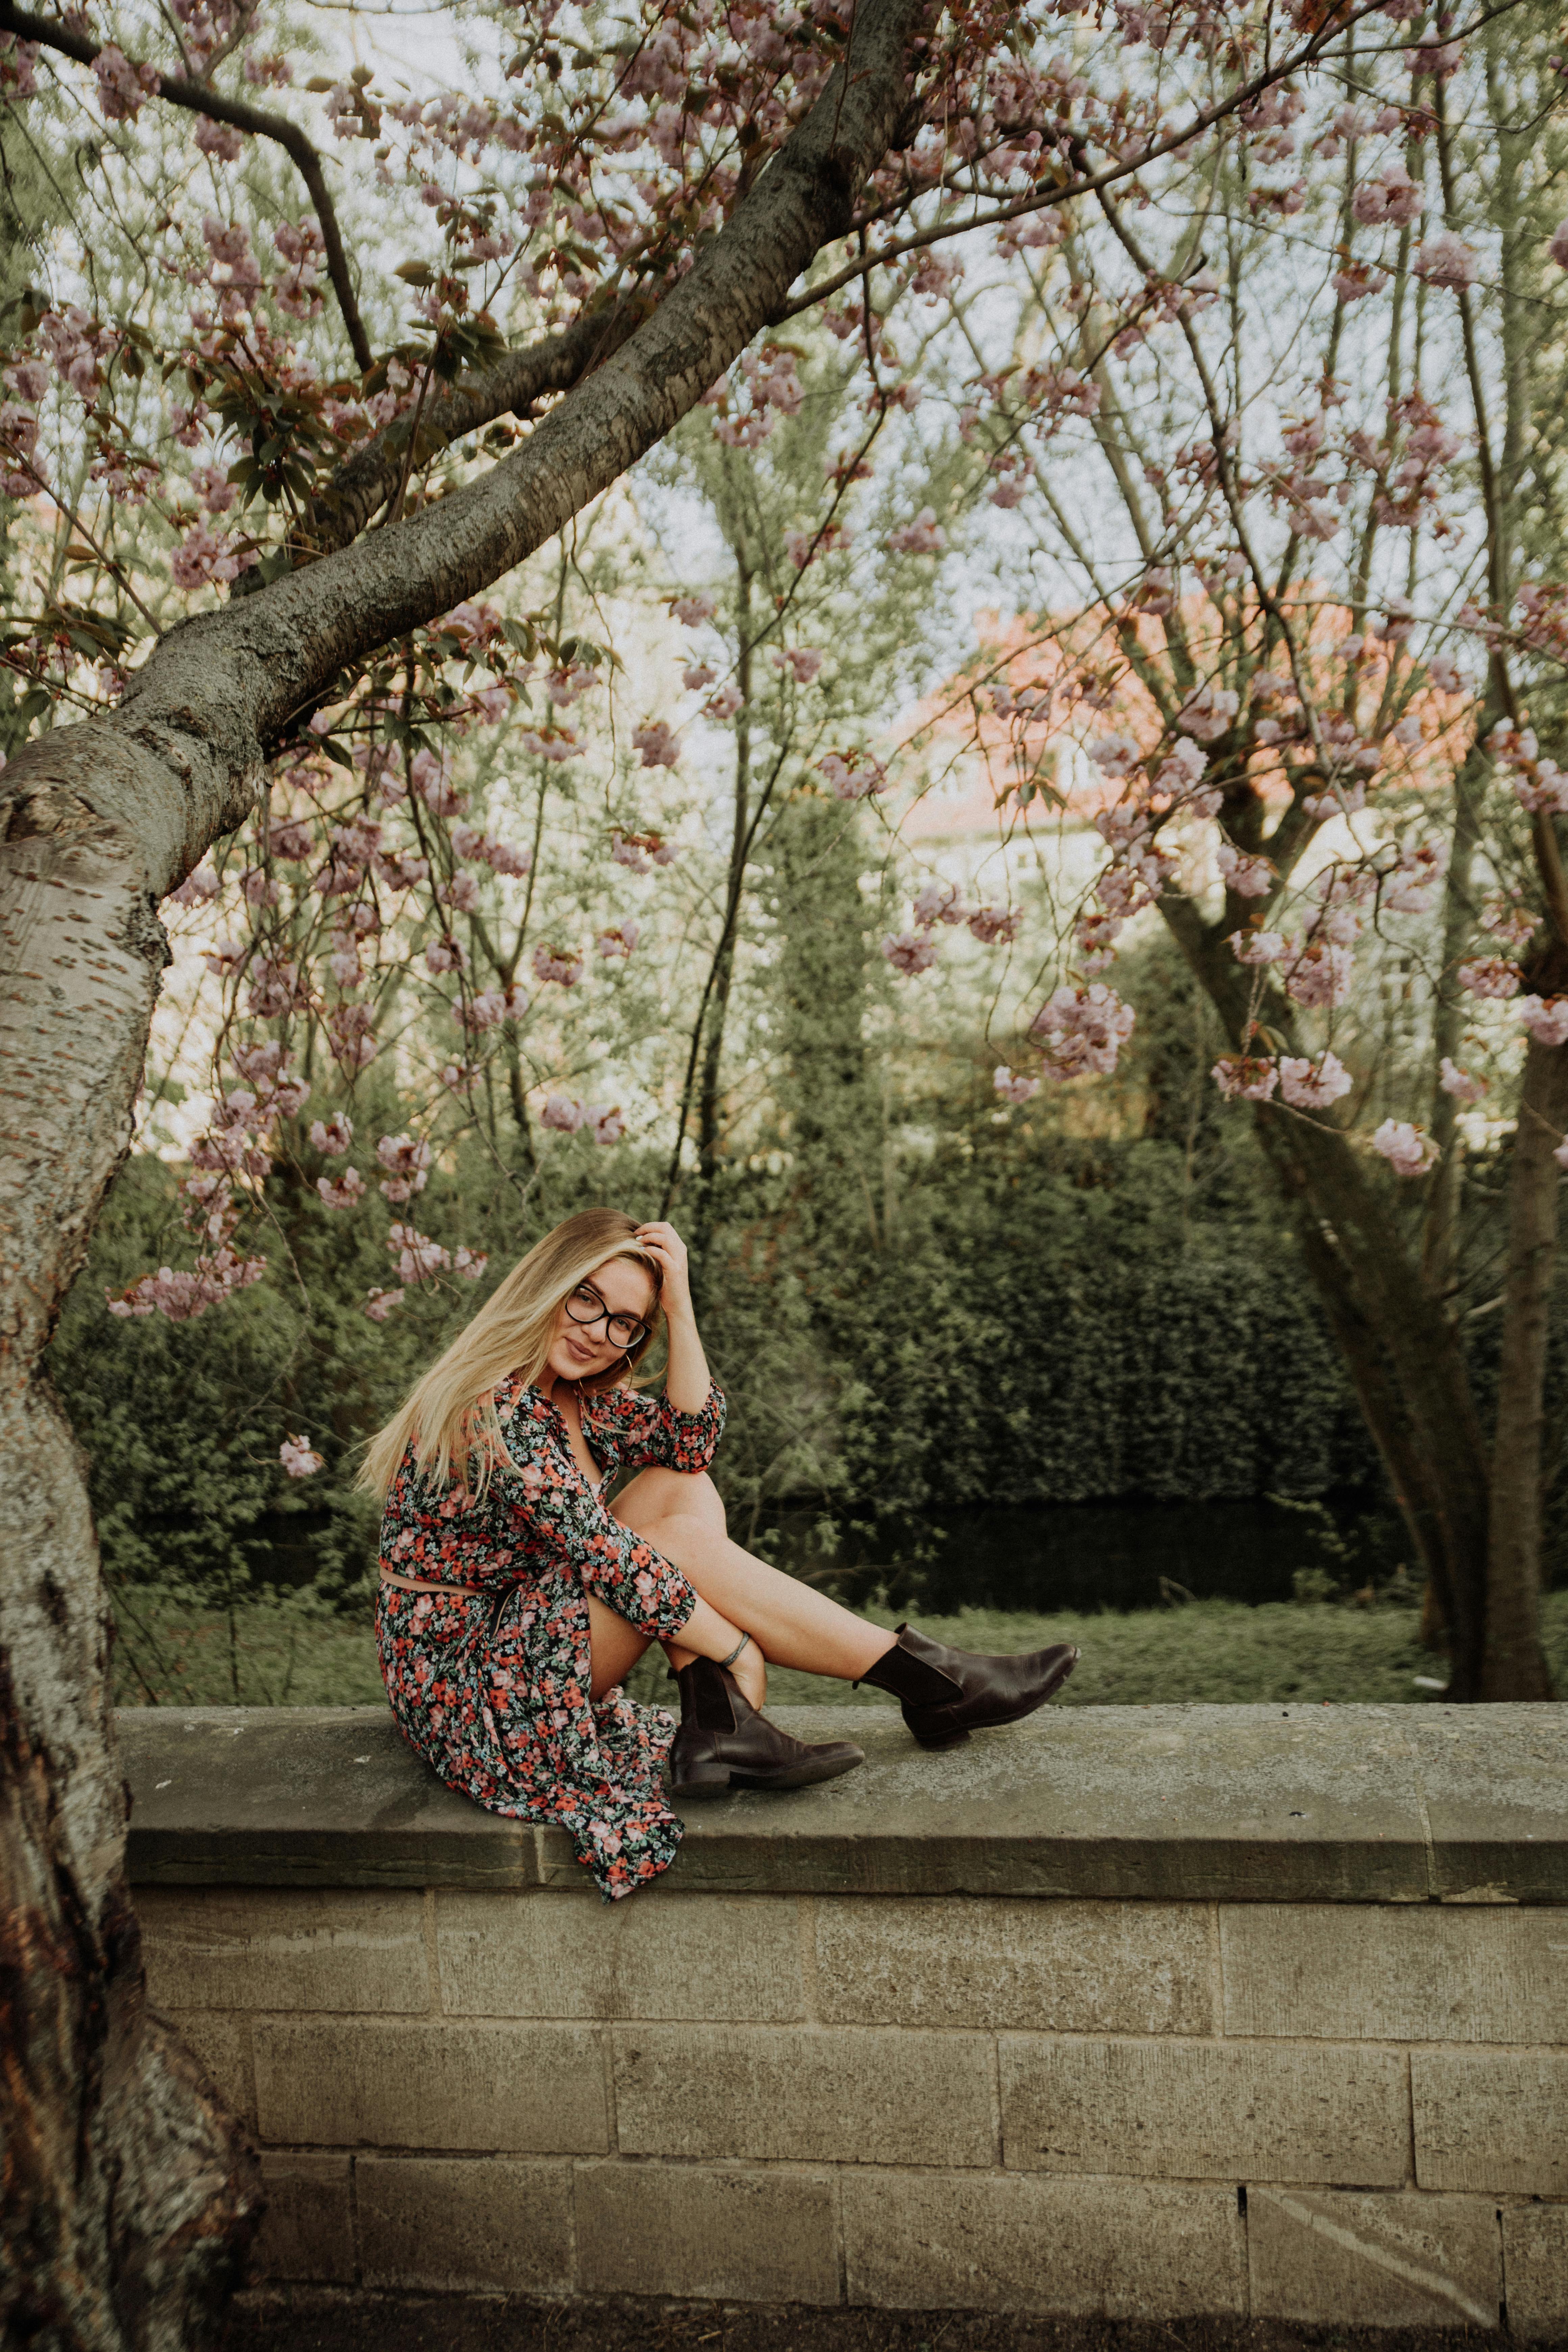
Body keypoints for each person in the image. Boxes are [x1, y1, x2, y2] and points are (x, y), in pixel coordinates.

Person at [360, 1207, 1078, 1900]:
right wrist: (734, 1647)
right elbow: (609, 1558)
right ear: (548, 1283)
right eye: (586, 1299)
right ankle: (923, 1683)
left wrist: (683, 1310)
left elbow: (691, 1442)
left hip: (526, 1639)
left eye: (624, 1323)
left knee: (684, 1487)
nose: (596, 1333)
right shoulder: (493, 1408)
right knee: (658, 1544)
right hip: (471, 1688)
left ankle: (734, 1722)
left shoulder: (577, 1399)